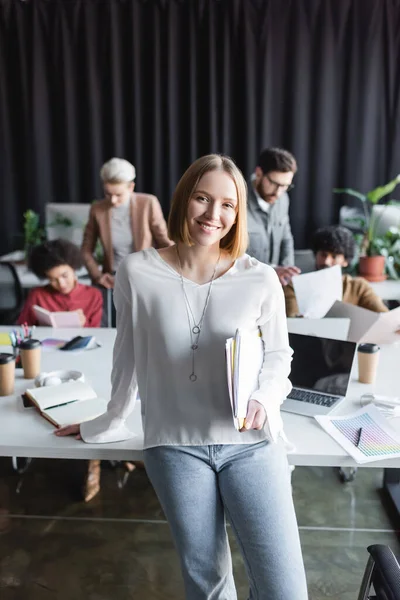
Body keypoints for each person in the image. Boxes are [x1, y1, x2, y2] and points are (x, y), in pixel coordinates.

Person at [56, 154, 308, 599]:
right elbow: (127, 357)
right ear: (182, 199)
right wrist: (105, 422)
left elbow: (281, 355)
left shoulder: (260, 278)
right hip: (174, 445)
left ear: (238, 212)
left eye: (228, 205)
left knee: (284, 589)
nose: (214, 215)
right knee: (207, 584)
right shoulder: (138, 271)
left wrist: (265, 399)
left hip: (249, 443)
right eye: (202, 198)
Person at [81, 157, 172, 290]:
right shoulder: (97, 209)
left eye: (118, 194)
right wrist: (98, 276)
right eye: (107, 194)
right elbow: (86, 250)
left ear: (131, 187)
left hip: (145, 276)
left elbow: (165, 242)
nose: (112, 200)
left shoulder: (148, 203)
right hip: (113, 279)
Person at [284, 225, 388, 316]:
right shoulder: (295, 286)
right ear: (316, 255)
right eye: (323, 254)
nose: (326, 261)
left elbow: (384, 316)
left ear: (345, 261)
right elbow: (292, 323)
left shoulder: (358, 287)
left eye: (334, 256)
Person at [17, 239, 103, 327]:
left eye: (65, 276)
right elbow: (23, 327)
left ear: (73, 269)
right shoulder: (37, 295)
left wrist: (84, 324)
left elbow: (97, 333)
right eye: (53, 279)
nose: (61, 284)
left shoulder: (93, 295)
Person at [247, 147, 301, 286]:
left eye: (285, 186)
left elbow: (286, 238)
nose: (278, 193)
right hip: (246, 285)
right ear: (259, 173)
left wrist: (288, 272)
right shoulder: (236, 201)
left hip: (275, 285)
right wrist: (270, 272)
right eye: (274, 183)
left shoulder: (283, 199)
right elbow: (229, 255)